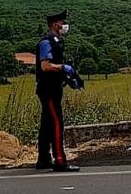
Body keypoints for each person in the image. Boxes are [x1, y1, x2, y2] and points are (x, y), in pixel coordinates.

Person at [35, 9, 81, 172]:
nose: (65, 25)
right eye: (62, 23)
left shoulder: (57, 41)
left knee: (46, 123)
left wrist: (68, 77)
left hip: (53, 88)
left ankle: (43, 159)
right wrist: (64, 68)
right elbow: (45, 66)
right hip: (48, 90)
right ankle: (60, 160)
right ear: (55, 25)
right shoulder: (47, 42)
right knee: (56, 123)